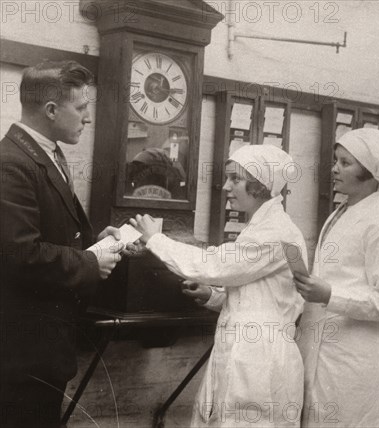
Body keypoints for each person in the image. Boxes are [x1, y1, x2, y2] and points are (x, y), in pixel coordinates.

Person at [131, 144, 307, 427]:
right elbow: (259, 296)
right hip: (248, 350)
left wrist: (155, 239)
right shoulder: (267, 227)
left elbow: (215, 265)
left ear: (260, 186)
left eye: (235, 179)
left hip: (259, 358)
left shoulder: (277, 233)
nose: (226, 186)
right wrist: (211, 296)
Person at [0, 60, 123, 428]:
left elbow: (54, 233)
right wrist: (89, 263)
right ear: (51, 110)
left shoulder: (45, 154)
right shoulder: (11, 163)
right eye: (81, 108)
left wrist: (96, 243)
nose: (87, 119)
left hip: (42, 350)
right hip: (19, 356)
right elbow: (20, 254)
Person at [294, 128, 379, 427]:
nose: (334, 169)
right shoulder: (339, 212)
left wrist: (330, 295)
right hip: (322, 348)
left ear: (369, 172)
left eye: (345, 163)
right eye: (335, 161)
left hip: (354, 359)